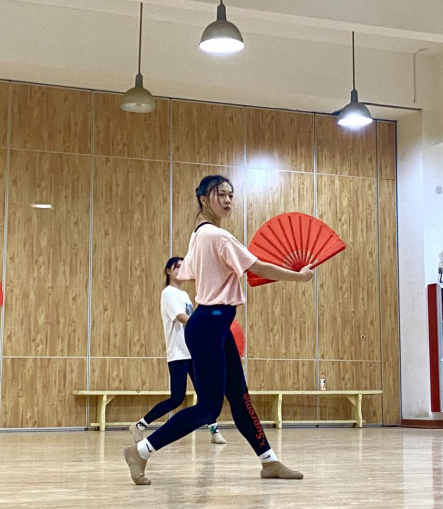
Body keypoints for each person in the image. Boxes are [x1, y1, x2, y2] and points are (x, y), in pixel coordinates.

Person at [123, 175, 313, 485]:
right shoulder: (216, 236)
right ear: (203, 199)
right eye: (220, 194)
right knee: (208, 408)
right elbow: (257, 267)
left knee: (239, 397)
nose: (227, 201)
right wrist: (299, 276)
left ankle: (269, 461)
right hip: (209, 324)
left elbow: (190, 271)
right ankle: (140, 451)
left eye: (231, 196)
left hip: (214, 324)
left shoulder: (199, 235)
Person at [128, 256, 226, 445]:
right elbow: (182, 317)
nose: (180, 270)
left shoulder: (185, 295)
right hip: (179, 354)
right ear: (168, 271)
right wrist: (203, 326)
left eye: (183, 267)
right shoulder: (168, 293)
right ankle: (139, 425)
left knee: (205, 396)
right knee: (176, 398)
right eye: (177, 267)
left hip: (193, 353)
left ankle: (215, 432)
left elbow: (194, 318)